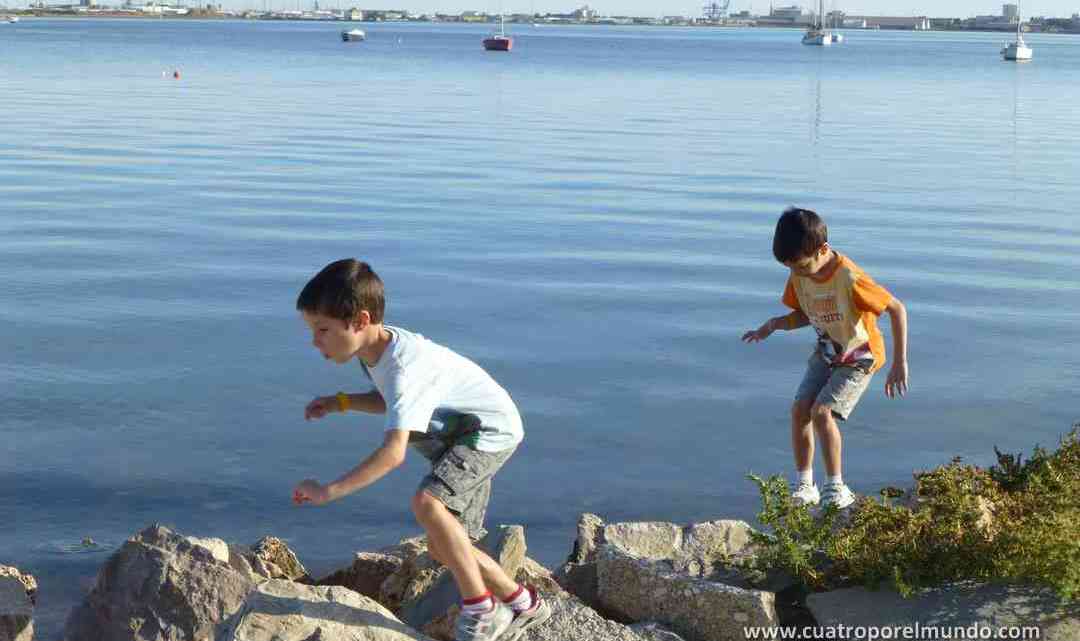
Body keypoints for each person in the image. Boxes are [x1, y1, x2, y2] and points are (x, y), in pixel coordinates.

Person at [292, 259, 550, 641]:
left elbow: (394, 453)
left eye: (323, 330)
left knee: (427, 504)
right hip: (461, 436)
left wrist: (328, 491)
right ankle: (526, 603)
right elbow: (397, 403)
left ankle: (481, 608)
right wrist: (340, 402)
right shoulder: (376, 352)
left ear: (361, 321)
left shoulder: (403, 367)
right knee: (444, 544)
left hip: (485, 433)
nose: (315, 341)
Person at [742, 208, 909, 509]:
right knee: (799, 409)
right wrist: (775, 324)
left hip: (860, 355)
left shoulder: (849, 277)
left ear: (823, 250)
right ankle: (805, 485)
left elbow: (897, 308)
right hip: (827, 352)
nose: (798, 274)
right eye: (791, 268)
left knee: (822, 412)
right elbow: (806, 313)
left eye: (803, 267)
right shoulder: (798, 273)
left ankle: (836, 487)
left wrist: (899, 363)